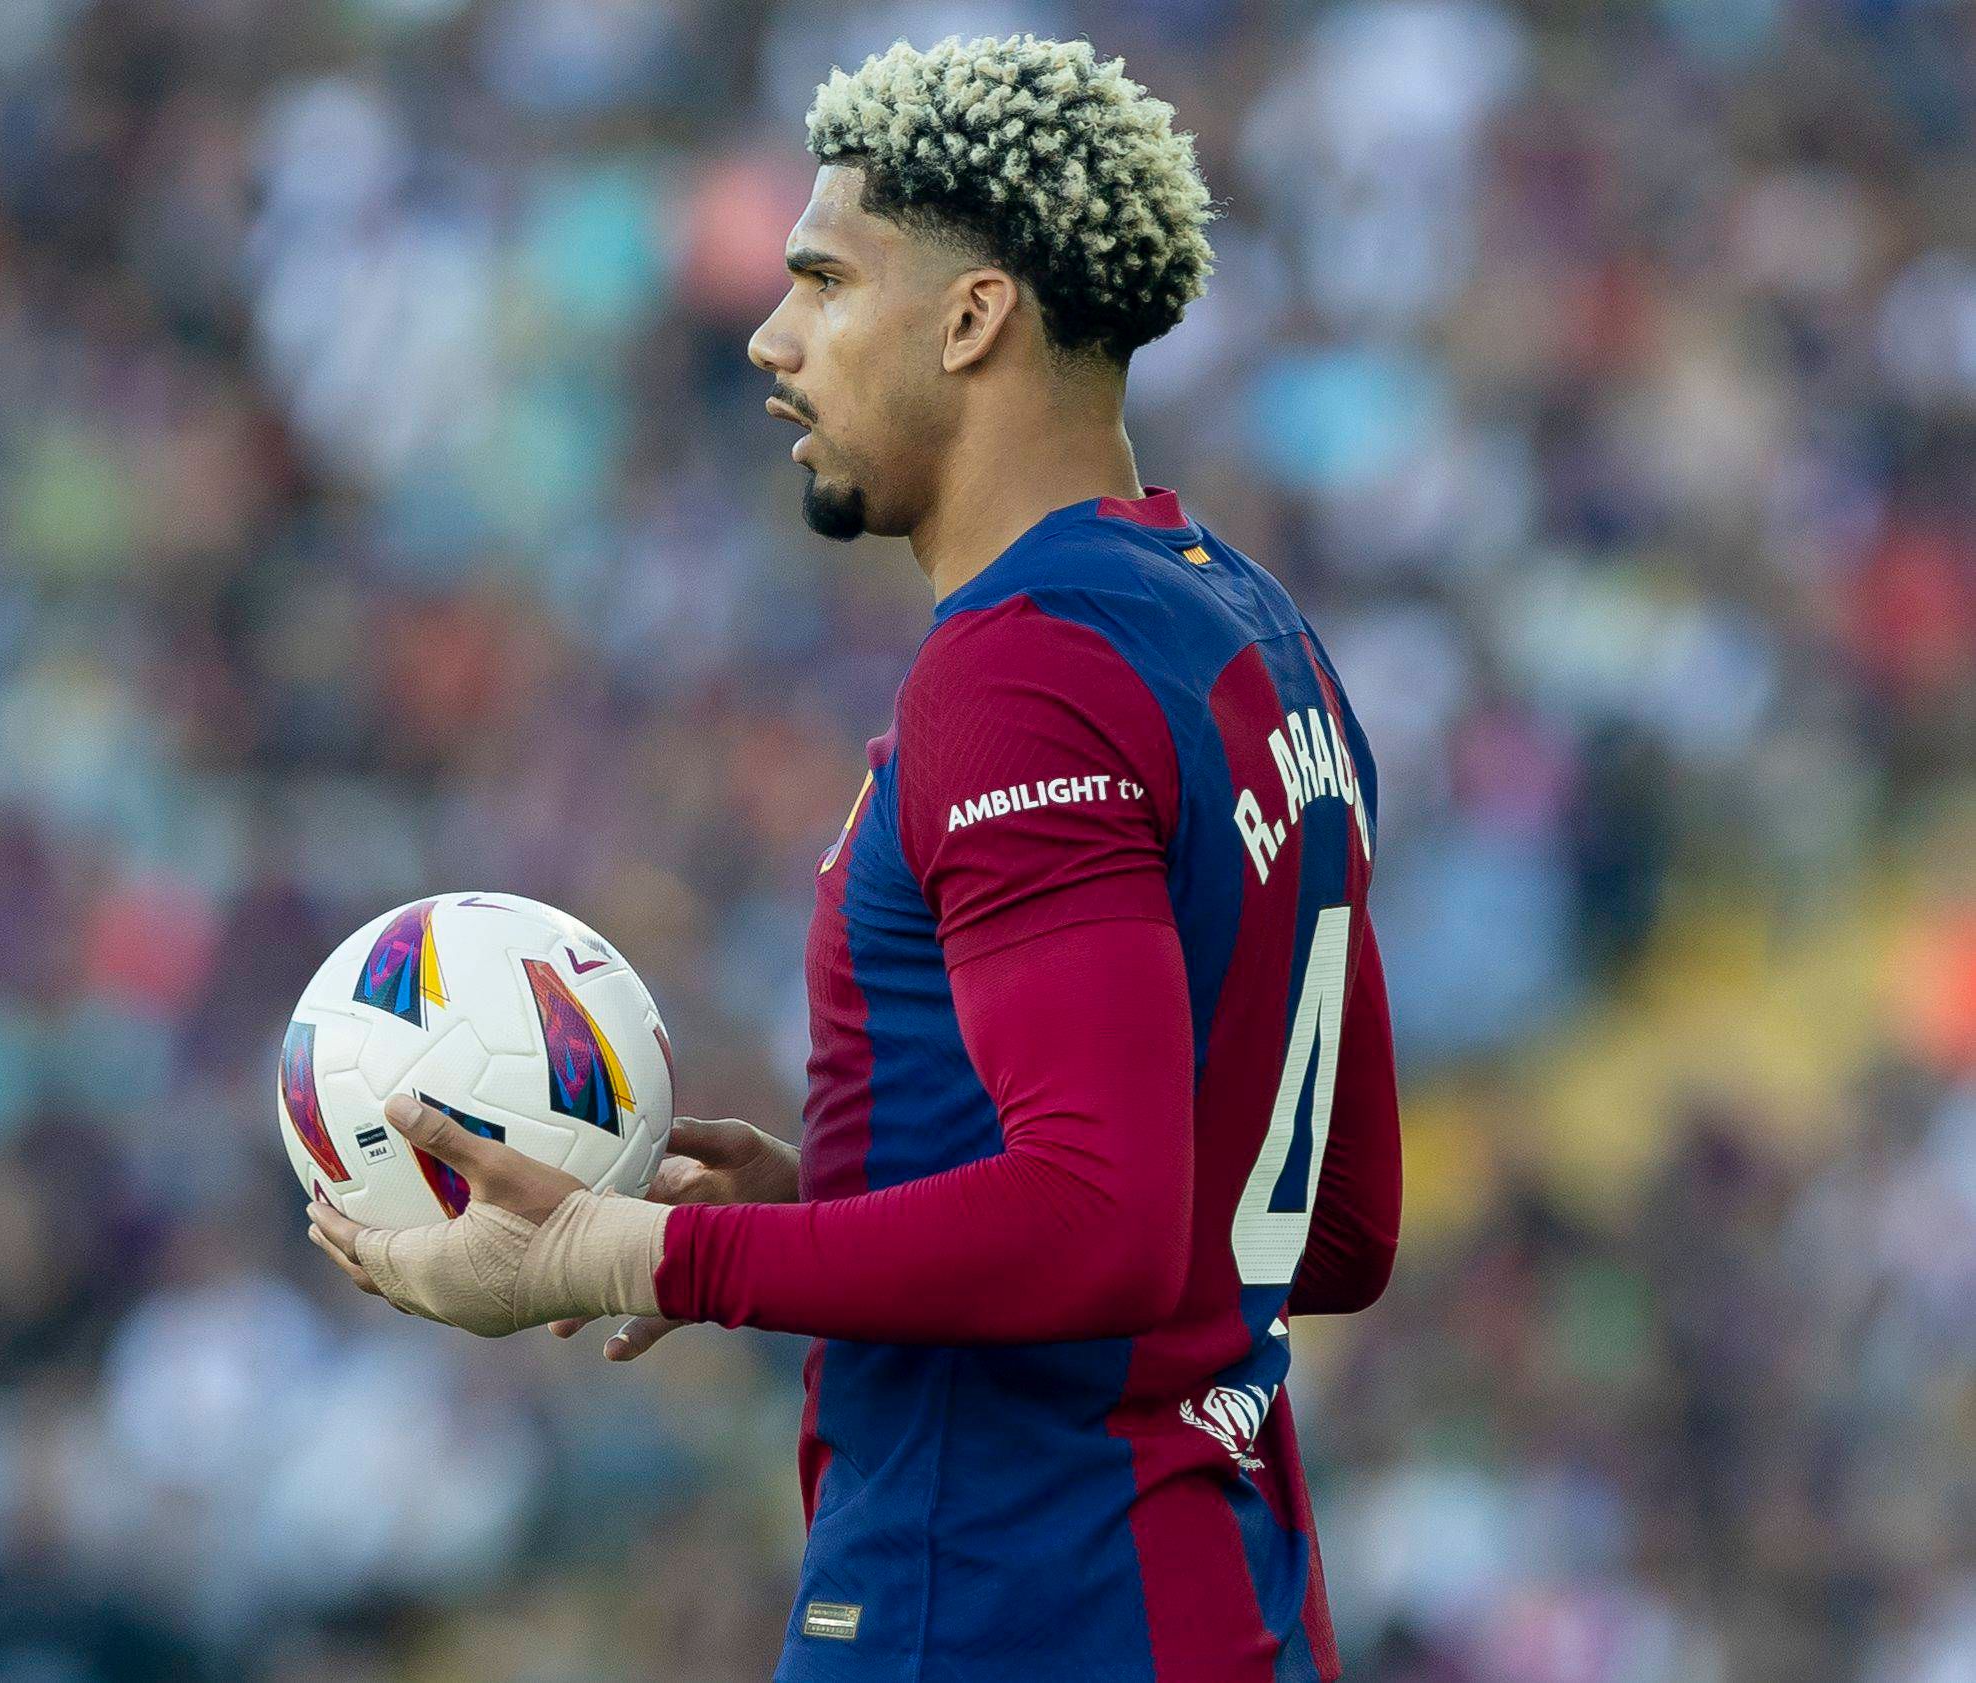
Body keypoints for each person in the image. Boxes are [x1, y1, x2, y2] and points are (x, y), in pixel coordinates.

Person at [310, 31, 1402, 1681]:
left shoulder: (1021, 668)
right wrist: (840, 1207)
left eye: (820, 280)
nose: (766, 335)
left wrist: (628, 1250)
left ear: (968, 320)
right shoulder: (1253, 636)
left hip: (1001, 1603)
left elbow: (1099, 1224)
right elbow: (1327, 1223)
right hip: (1222, 1599)